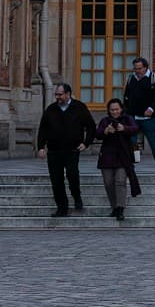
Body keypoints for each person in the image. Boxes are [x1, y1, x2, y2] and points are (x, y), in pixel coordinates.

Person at [36, 82, 95, 216]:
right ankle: (62, 207)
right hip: (54, 150)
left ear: (68, 94)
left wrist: (86, 143)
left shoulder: (79, 107)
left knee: (72, 175)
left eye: (60, 94)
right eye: (56, 94)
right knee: (56, 180)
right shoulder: (50, 109)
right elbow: (43, 129)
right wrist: (41, 147)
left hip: (72, 150)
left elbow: (91, 126)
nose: (58, 97)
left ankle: (77, 197)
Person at [95, 98, 142, 222]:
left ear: (121, 109)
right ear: (108, 110)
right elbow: (97, 133)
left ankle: (120, 208)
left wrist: (124, 128)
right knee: (108, 182)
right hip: (107, 156)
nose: (114, 112)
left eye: (116, 109)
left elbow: (135, 129)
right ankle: (114, 207)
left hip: (123, 156)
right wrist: (106, 131)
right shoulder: (105, 121)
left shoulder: (127, 119)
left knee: (120, 181)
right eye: (112, 110)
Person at [123, 58, 155, 168]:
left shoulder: (153, 79)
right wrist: (125, 111)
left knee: (152, 139)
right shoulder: (131, 78)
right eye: (135, 68)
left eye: (140, 68)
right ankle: (133, 161)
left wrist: (151, 109)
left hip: (149, 116)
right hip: (133, 115)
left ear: (145, 67)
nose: (137, 71)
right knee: (131, 140)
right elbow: (126, 95)